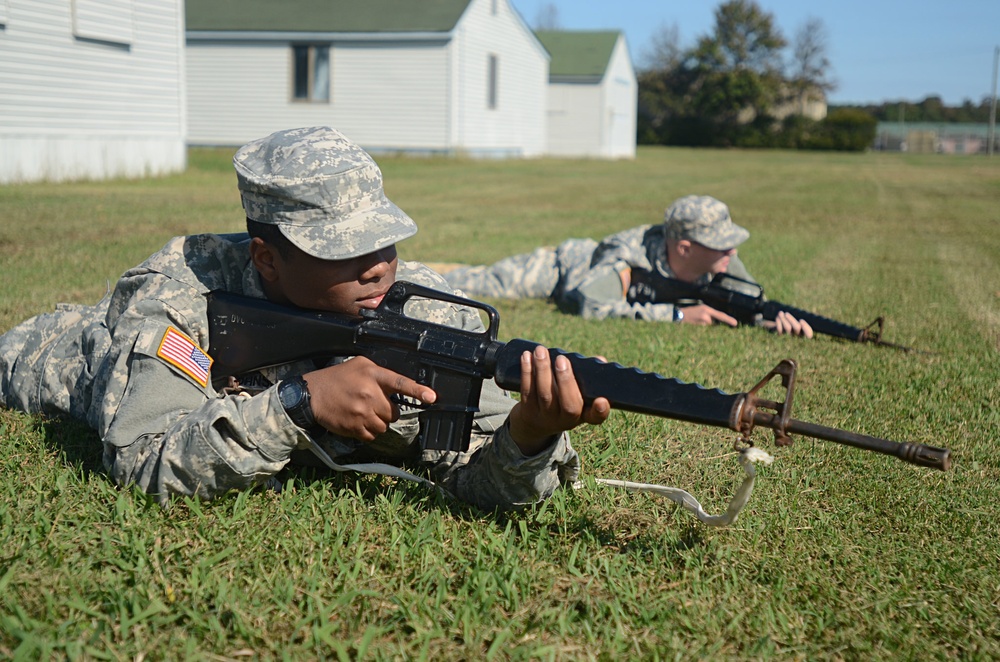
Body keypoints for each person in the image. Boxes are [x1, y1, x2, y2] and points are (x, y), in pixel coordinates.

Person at [0, 126, 610, 510]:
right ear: (266, 257)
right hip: (54, 354)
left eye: (385, 243)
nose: (378, 269)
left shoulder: (421, 307)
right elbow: (147, 464)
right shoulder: (176, 297)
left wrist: (530, 435)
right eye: (343, 250)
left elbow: (479, 488)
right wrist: (299, 403)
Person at [443, 195, 814, 336]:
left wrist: (772, 322)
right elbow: (588, 304)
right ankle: (429, 270)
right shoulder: (627, 257)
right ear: (684, 248)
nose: (731, 252)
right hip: (563, 269)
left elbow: (750, 307)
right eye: (721, 244)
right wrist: (679, 317)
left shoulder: (720, 261)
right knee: (480, 282)